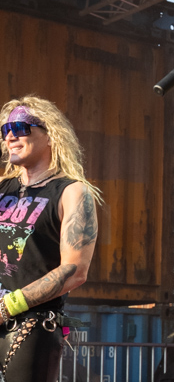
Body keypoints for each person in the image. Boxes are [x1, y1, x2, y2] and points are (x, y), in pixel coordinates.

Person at [0, 96, 100, 381]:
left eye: (20, 127)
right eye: (5, 129)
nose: (10, 136)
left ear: (50, 134)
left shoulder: (72, 192)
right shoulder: (2, 188)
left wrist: (7, 307)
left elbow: (74, 270)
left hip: (29, 326)